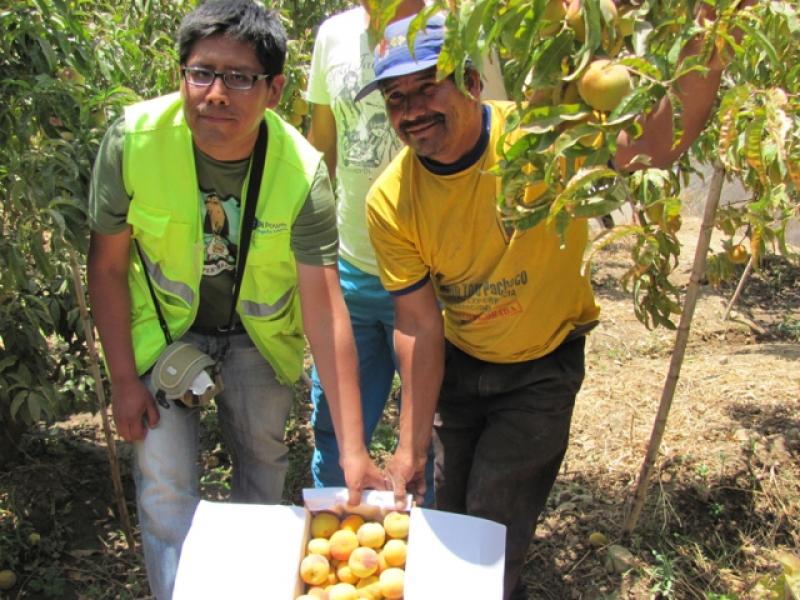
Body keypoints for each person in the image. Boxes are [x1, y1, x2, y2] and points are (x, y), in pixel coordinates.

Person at [359, 9, 747, 600]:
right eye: (395, 98)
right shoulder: (391, 199)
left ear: (471, 81)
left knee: (494, 522)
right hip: (461, 365)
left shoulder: (539, 140)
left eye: (425, 88)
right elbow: (417, 324)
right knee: (451, 508)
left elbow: (652, 146)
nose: (411, 111)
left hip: (541, 365)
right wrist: (409, 445)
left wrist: (710, 40)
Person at [86, 1, 383, 598]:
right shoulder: (133, 141)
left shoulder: (300, 171)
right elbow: (109, 266)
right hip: (162, 332)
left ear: (274, 90)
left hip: (257, 337)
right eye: (201, 72)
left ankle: (254, 585)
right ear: (182, 76)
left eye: (239, 77)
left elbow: (325, 307)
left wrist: (354, 449)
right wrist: (123, 378)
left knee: (262, 470)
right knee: (165, 484)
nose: (215, 93)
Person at [304, 0, 506, 499]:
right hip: (352, 264)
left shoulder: (462, 27)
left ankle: (419, 543)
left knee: (431, 427)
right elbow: (322, 147)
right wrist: (313, 256)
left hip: (437, 274)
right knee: (337, 425)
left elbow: (495, 133)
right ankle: (337, 524)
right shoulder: (333, 36)